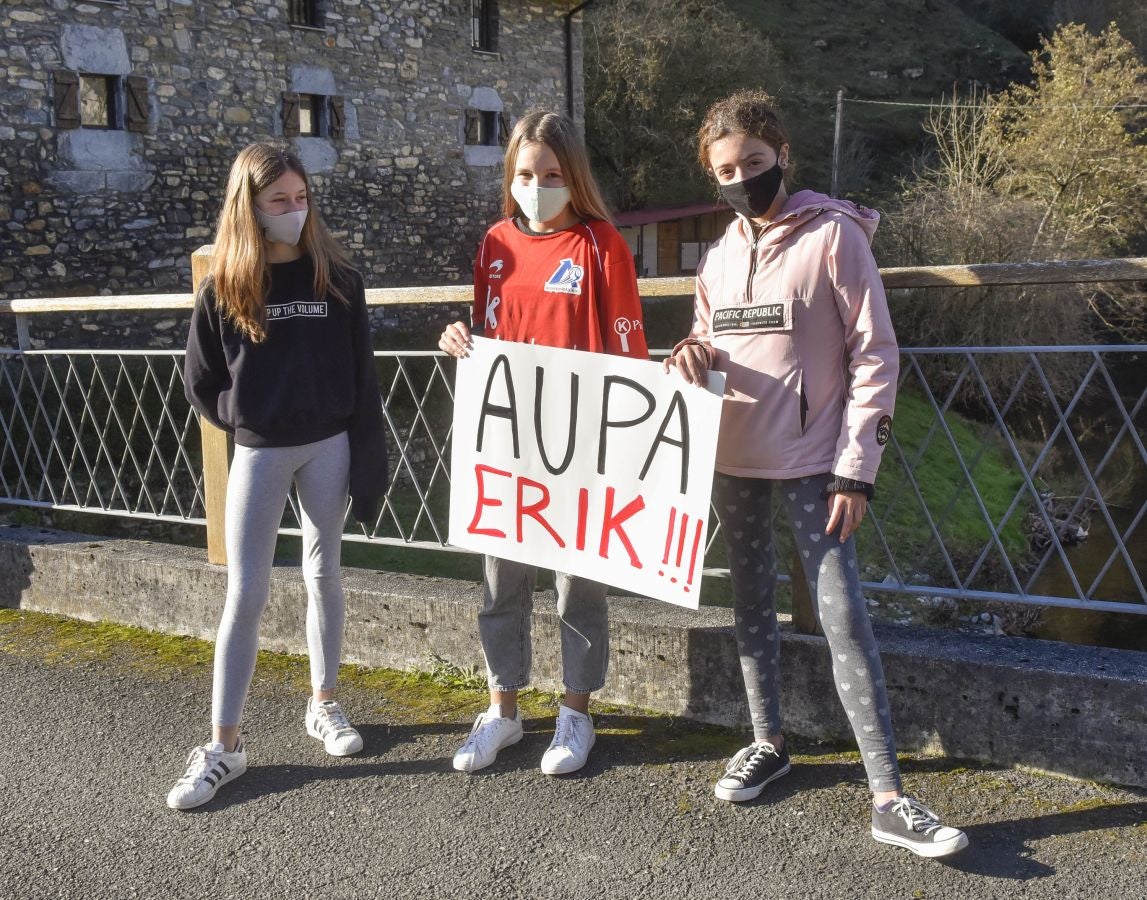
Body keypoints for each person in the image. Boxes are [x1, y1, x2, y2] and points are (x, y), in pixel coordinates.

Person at [665, 91, 967, 858]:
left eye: (754, 164)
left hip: (813, 468)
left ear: (783, 157)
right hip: (732, 459)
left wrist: (855, 469)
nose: (741, 179)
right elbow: (706, 334)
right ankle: (767, 743)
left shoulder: (835, 238)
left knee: (843, 621)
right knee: (748, 612)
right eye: (725, 170)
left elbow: (875, 352)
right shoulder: (720, 253)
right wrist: (689, 352)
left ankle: (888, 795)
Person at [169, 143, 389, 810]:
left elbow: (363, 376)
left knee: (325, 573)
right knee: (247, 591)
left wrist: (365, 454)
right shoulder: (225, 288)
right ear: (250, 207)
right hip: (262, 451)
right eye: (278, 202)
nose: (293, 211)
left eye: (300, 199)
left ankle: (324, 703)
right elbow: (201, 381)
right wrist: (250, 419)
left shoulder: (339, 280)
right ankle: (224, 746)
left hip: (329, 446)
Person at [438, 111, 648, 776]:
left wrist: (626, 439)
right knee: (499, 584)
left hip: (579, 441)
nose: (537, 185)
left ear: (573, 177)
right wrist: (459, 341)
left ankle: (575, 713)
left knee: (576, 587)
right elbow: (488, 330)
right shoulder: (494, 242)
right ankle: (501, 711)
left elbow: (628, 347)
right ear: (510, 177)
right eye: (525, 174)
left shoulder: (601, 245)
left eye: (552, 175)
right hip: (507, 442)